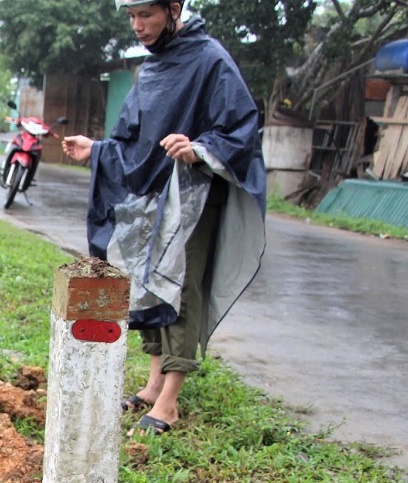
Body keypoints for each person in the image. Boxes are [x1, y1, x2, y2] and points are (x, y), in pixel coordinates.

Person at [62, 0, 266, 436]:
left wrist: (198, 148)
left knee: (180, 285)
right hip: (152, 196)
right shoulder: (151, 70)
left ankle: (170, 400)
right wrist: (96, 149)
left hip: (192, 196)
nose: (138, 26)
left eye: (146, 15)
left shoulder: (210, 60)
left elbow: (241, 128)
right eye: (131, 17)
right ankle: (154, 383)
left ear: (173, 9)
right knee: (147, 279)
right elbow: (134, 141)